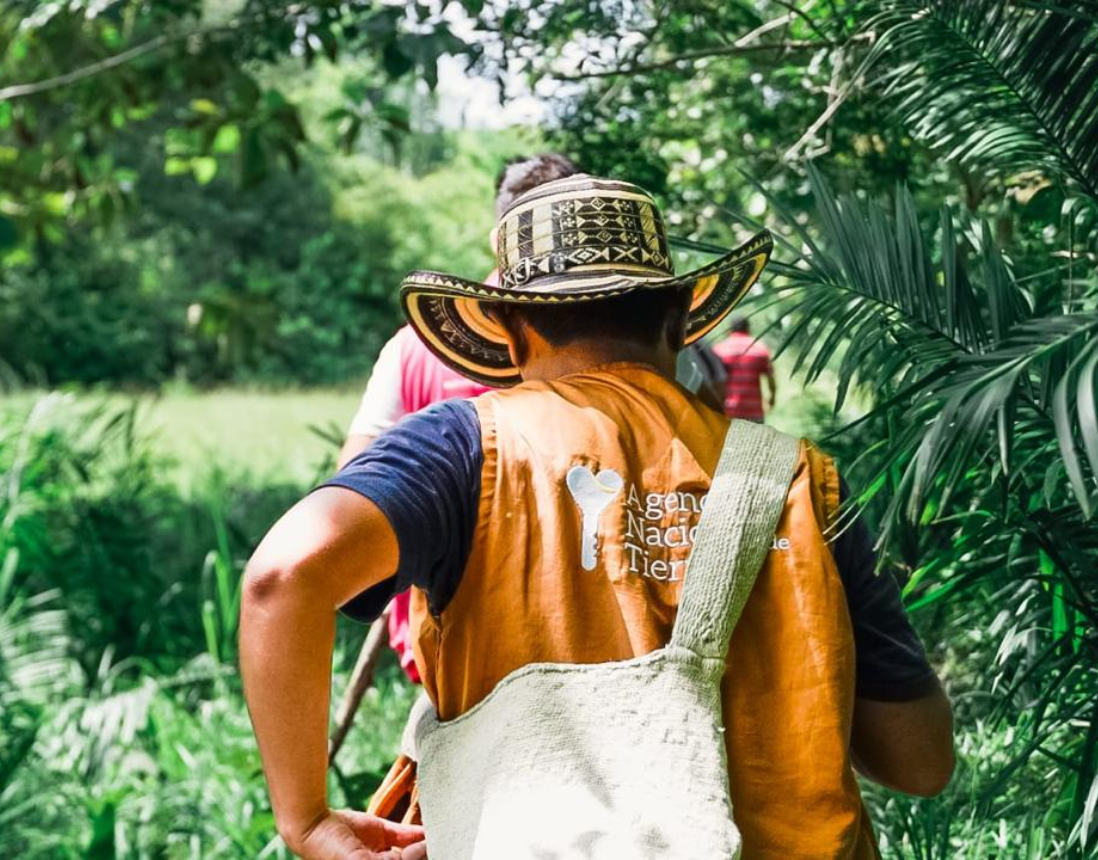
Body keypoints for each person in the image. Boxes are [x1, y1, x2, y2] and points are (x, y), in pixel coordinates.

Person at [241, 175, 953, 859]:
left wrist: (305, 817)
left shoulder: (464, 449)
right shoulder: (798, 477)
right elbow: (919, 761)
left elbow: (283, 576)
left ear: (511, 334)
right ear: (679, 319)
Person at [339, 154, 725, 685]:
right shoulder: (665, 356)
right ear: (678, 318)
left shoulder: (410, 354)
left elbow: (351, 489)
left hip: (457, 651)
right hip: (648, 642)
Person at [713, 316, 775, 421]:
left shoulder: (719, 350)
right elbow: (770, 378)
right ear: (748, 328)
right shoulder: (760, 348)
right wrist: (772, 398)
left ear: (730, 330)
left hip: (728, 411)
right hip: (753, 411)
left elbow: (714, 382)